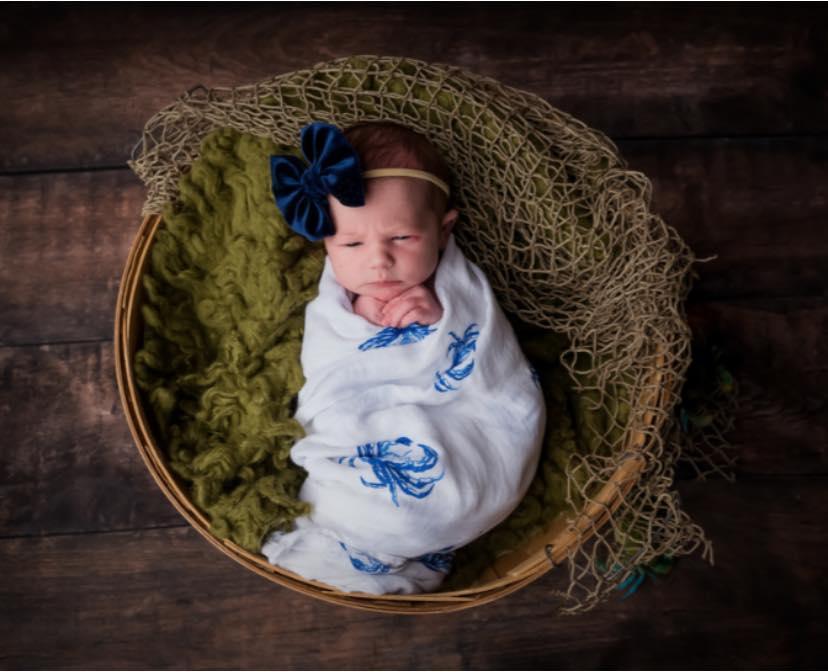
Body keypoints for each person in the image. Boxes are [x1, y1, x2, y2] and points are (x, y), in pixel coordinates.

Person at [265, 120, 545, 594]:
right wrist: (359, 326)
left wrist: (440, 320)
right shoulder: (331, 307)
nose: (378, 261)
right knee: (356, 503)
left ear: (443, 230)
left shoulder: (460, 288)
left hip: (470, 444)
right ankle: (375, 536)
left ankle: (405, 532)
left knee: (440, 495)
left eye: (402, 239)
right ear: (327, 245)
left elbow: (485, 353)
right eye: (351, 244)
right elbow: (331, 373)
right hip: (372, 432)